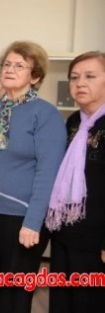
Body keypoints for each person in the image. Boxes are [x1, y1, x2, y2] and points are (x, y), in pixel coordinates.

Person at [0, 41, 67, 313]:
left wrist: (33, 222)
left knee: (14, 294)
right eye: (7, 64)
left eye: (19, 66)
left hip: (21, 216)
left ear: (35, 77)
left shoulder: (46, 114)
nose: (10, 69)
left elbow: (49, 172)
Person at [47, 51, 105, 313]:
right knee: (63, 301)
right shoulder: (73, 122)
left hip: (96, 238)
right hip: (66, 230)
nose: (80, 83)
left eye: (90, 76)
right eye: (74, 77)